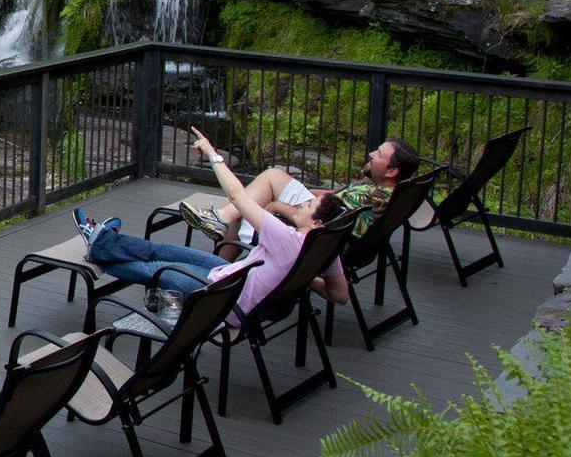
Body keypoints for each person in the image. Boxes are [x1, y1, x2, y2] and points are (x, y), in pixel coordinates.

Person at [79, 127, 345, 324]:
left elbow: (237, 197)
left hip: (223, 300)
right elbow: (340, 294)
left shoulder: (288, 239)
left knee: (157, 269)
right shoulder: (325, 248)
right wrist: (304, 276)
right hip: (233, 275)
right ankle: (102, 242)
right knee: (164, 250)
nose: (301, 204)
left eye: (307, 206)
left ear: (317, 223)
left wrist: (211, 153)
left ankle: (98, 250)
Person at [182, 137, 420, 245]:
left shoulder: (369, 198)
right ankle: (222, 227)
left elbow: (314, 218)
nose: (371, 153)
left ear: (391, 171)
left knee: (263, 186)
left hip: (318, 234)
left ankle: (220, 221)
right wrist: (303, 191)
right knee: (256, 196)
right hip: (327, 223)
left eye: (379, 154)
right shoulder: (384, 191)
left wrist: (276, 205)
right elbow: (333, 197)